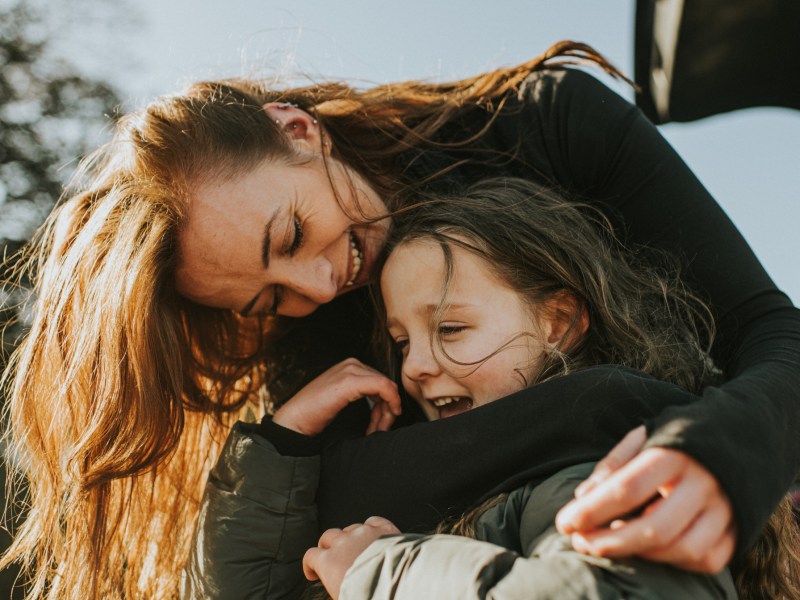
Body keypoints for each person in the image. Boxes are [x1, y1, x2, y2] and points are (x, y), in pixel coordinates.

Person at [2, 41, 799, 598]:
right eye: (266, 300)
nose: (318, 286)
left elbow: (772, 333)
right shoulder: (309, 336)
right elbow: (323, 542)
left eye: (291, 234)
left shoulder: (548, 124)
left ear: (298, 130)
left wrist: (721, 445)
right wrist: (276, 448)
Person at [246, 178, 796, 599]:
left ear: (557, 324)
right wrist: (281, 445)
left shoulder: (597, 474)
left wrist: (379, 571)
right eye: (401, 342)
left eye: (451, 329)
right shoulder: (495, 491)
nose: (413, 367)